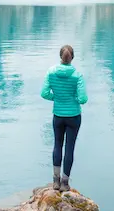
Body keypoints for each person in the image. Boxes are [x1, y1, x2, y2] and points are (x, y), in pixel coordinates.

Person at [40, 45, 88, 192]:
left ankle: (55, 181)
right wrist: (71, 99)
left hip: (58, 116)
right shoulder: (77, 75)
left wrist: (57, 98)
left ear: (60, 57)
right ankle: (65, 183)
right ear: (72, 58)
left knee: (57, 145)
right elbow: (83, 99)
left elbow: (44, 93)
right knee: (69, 148)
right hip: (73, 117)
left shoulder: (51, 72)